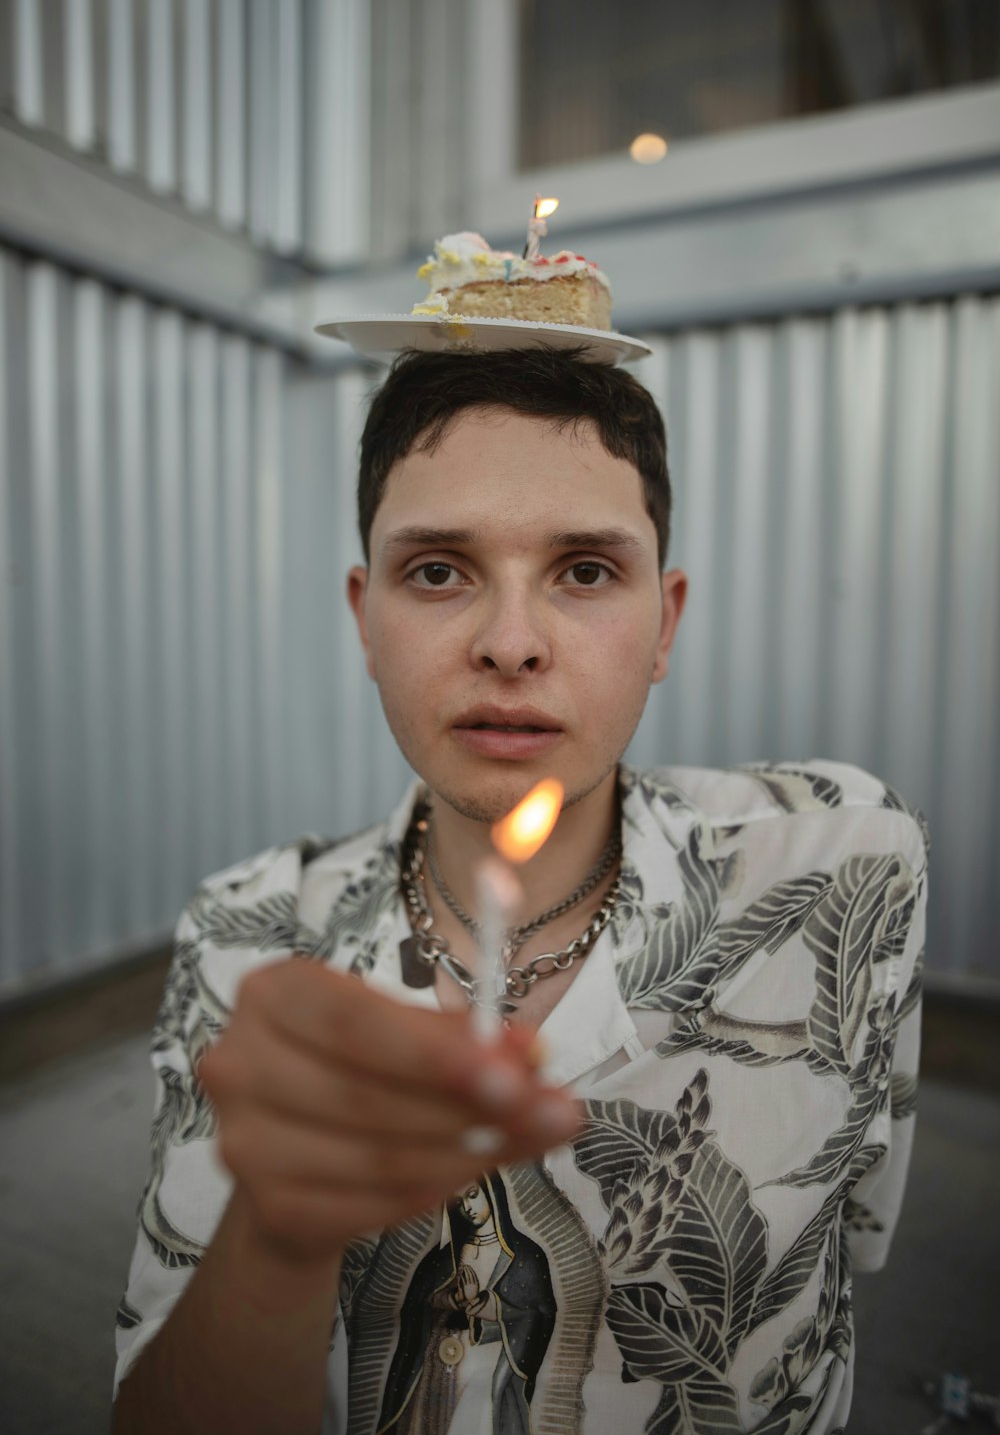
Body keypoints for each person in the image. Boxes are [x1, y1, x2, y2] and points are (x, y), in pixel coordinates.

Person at [112, 346, 928, 1435]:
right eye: (439, 570)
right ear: (364, 617)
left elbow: (850, 1239)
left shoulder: (839, 865)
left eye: (584, 570)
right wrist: (275, 1236)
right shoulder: (248, 933)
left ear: (664, 624)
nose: (508, 645)